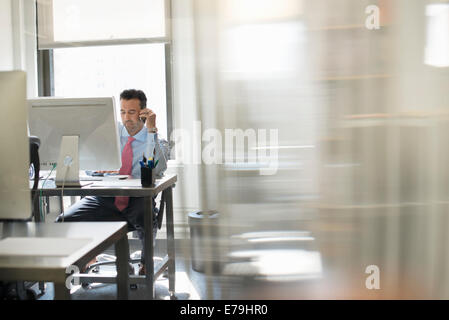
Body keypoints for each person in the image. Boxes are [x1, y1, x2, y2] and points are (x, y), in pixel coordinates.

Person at [55, 89, 168, 275]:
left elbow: (156, 169)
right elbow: (90, 163)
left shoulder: (153, 138)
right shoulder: (111, 132)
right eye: (123, 112)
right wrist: (99, 168)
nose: (126, 118)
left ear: (143, 112)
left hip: (136, 200)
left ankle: (146, 264)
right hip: (105, 198)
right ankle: (84, 257)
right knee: (64, 220)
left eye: (131, 112)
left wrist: (151, 130)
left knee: (146, 216)